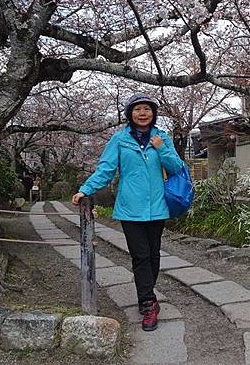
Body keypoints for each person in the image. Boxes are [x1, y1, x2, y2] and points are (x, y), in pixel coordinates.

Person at [72, 93, 183, 331]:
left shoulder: (161, 137)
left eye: (147, 109)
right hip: (130, 209)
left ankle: (147, 295)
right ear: (130, 114)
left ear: (153, 113)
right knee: (140, 255)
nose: (143, 113)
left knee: (153, 256)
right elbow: (106, 169)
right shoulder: (119, 139)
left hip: (157, 208)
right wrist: (85, 190)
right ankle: (148, 303)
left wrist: (162, 149)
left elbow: (176, 168)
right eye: (137, 109)